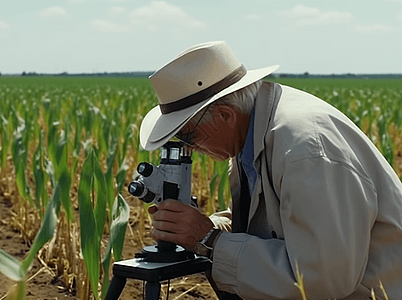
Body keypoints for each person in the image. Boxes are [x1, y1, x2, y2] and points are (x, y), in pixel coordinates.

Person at [139, 41, 402, 299]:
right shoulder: (253, 133)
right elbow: (279, 221)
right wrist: (205, 226)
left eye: (188, 137)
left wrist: (209, 240)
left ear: (225, 116)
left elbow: (321, 279)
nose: (190, 148)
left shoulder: (303, 151)